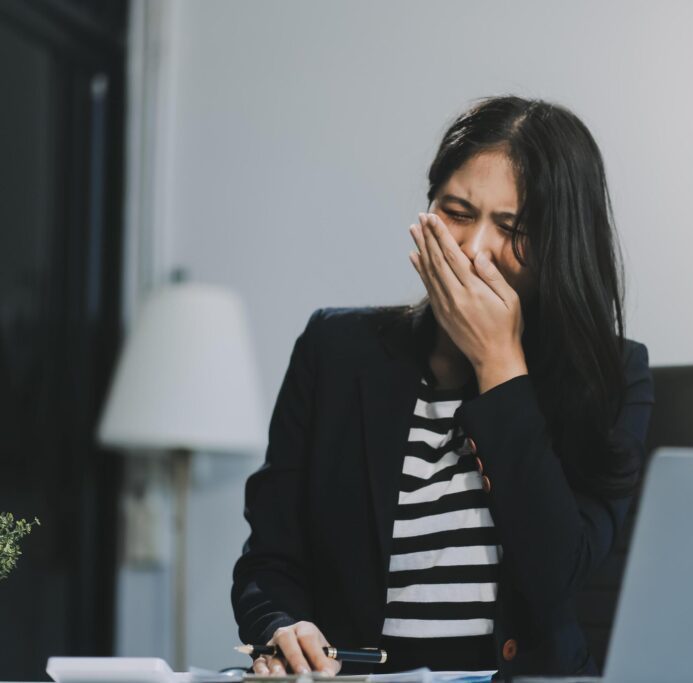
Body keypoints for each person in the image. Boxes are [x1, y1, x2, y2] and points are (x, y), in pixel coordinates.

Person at [231, 94, 654, 679]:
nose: (474, 249)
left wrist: (500, 362)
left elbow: (557, 575)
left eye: (514, 228)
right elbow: (269, 561)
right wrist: (281, 626)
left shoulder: (613, 377)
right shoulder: (334, 351)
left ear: (561, 244)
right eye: (456, 212)